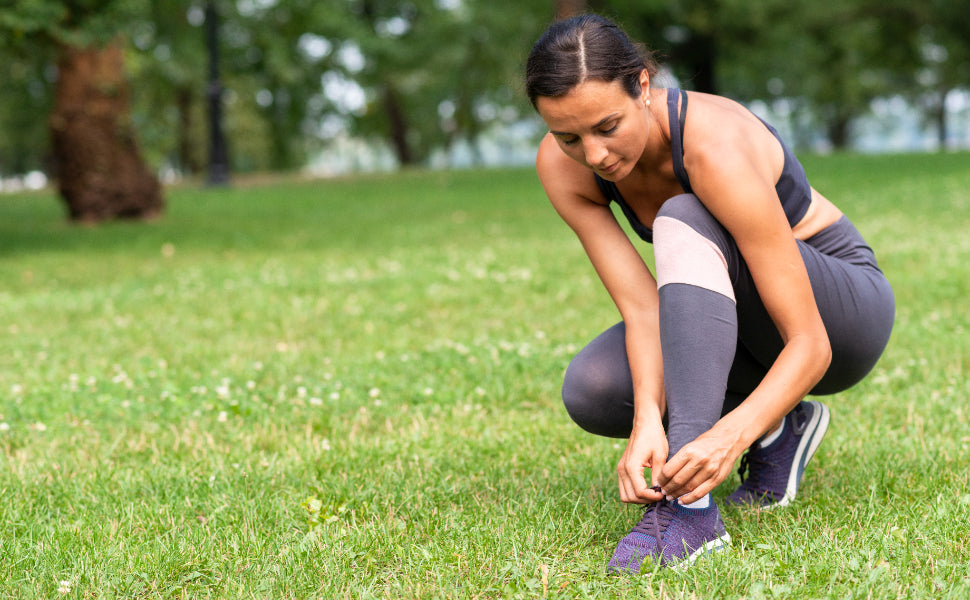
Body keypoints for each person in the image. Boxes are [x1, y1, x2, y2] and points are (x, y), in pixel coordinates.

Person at [525, 14, 894, 573]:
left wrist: (723, 438)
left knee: (685, 212)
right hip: (739, 318)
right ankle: (779, 428)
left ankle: (691, 510)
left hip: (841, 314)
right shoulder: (563, 169)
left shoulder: (714, 144)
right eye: (567, 135)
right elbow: (645, 308)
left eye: (607, 126)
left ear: (644, 85)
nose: (594, 155)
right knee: (596, 388)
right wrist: (650, 416)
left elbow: (810, 343)